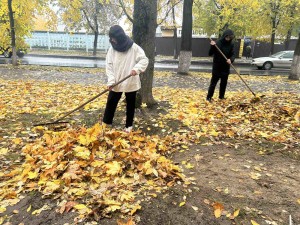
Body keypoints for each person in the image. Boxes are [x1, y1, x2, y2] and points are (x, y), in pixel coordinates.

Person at [102, 25, 149, 133]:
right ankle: (106, 123)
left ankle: (128, 126)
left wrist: (137, 69)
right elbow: (109, 66)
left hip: (130, 81)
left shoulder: (134, 48)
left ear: (120, 36)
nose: (112, 40)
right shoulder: (112, 49)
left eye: (114, 37)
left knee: (130, 104)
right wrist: (111, 81)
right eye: (111, 38)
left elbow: (144, 60)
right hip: (116, 82)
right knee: (111, 102)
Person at [206, 29, 235, 102]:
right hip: (217, 67)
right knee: (213, 83)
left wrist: (231, 59)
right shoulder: (218, 43)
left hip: (225, 68)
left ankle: (221, 96)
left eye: (230, 38)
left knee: (223, 84)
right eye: (227, 37)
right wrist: (212, 46)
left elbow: (233, 54)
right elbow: (210, 53)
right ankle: (209, 97)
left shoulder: (231, 44)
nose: (228, 39)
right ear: (224, 36)